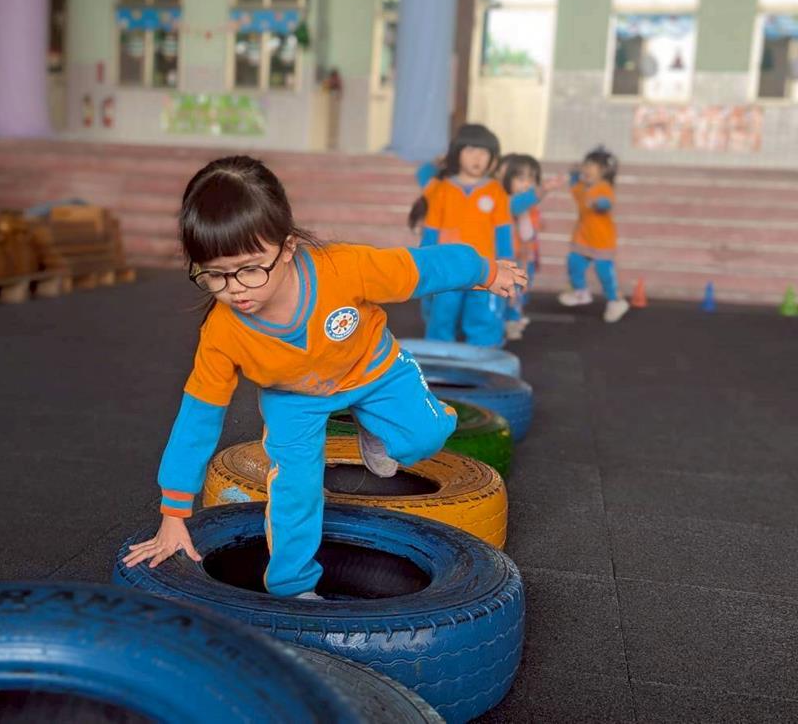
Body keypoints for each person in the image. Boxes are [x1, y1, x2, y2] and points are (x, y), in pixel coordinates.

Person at [123, 155, 526, 598]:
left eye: (251, 268)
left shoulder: (342, 268)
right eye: (215, 275)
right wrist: (173, 514)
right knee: (294, 489)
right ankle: (293, 586)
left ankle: (377, 429)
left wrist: (486, 271)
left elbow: (419, 268)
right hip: (293, 398)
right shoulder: (222, 333)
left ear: (288, 247)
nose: (235, 288)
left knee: (424, 438)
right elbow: (198, 419)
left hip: (373, 368)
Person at [407, 124, 513, 346]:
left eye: (484, 152)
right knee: (442, 314)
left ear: (493, 158)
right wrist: (424, 263)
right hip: (448, 268)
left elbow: (503, 233)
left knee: (483, 315)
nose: (478, 157)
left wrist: (508, 266)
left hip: (486, 268)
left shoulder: (496, 191)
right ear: (456, 154)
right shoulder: (442, 190)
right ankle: (439, 351)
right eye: (471, 150)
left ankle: (483, 352)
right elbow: (432, 231)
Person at [558, 146, 630, 323]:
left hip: (601, 240)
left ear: (604, 171)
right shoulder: (583, 187)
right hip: (583, 237)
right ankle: (580, 291)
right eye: (585, 165)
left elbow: (607, 203)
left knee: (604, 272)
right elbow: (574, 187)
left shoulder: (604, 187)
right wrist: (574, 173)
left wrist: (598, 203)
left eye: (591, 166)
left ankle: (615, 301)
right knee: (574, 261)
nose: (587, 169)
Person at [502, 154, 563, 340]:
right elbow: (518, 205)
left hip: (524, 260)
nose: (527, 184)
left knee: (519, 293)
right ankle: (502, 321)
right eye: (521, 178)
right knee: (502, 293)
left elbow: (530, 232)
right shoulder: (506, 201)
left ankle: (513, 320)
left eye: (532, 179)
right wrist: (542, 189)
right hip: (505, 260)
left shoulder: (532, 207)